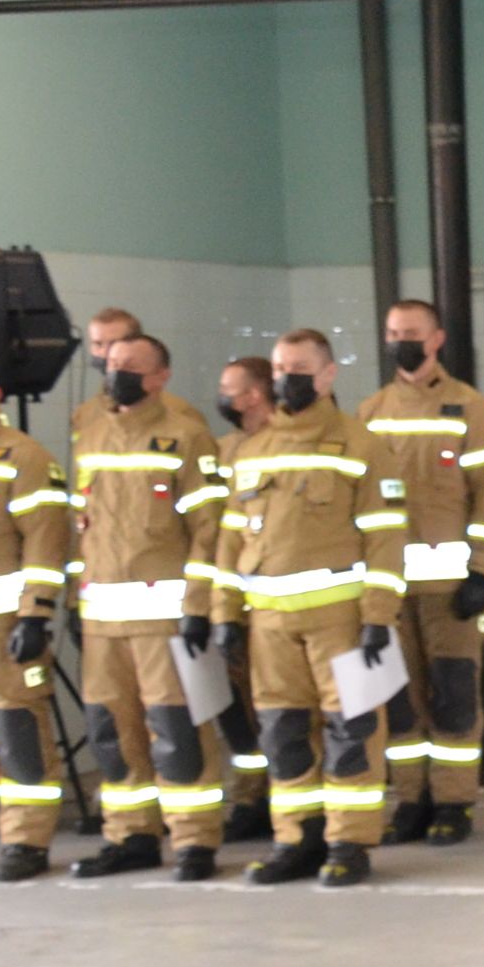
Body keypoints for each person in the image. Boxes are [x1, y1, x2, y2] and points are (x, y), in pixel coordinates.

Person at [213, 330, 402, 887]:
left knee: (352, 732)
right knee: (282, 734)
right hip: (269, 624)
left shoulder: (360, 444)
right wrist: (225, 613)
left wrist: (379, 615)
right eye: (279, 369)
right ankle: (296, 838)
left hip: (341, 621)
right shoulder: (251, 449)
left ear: (327, 375)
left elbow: (385, 534)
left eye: (298, 369)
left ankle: (348, 843)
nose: (285, 379)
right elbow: (230, 540)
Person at [66, 331, 230, 880]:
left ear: (160, 377)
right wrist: (71, 600)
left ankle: (194, 840)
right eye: (113, 363)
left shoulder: (186, 438)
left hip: (164, 617)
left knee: (175, 730)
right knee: (112, 733)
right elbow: (79, 528)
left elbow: (210, 530)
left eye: (132, 366)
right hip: (101, 621)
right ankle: (130, 835)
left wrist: (198, 605)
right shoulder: (90, 437)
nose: (118, 374)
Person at [356, 297, 484, 845]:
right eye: (394, 332)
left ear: (437, 339)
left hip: (449, 585)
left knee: (453, 695)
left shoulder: (470, 408)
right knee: (400, 701)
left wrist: (480, 569)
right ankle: (410, 800)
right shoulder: (370, 412)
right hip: (387, 586)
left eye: (411, 333)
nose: (401, 342)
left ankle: (453, 801)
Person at [0, 356, 70, 884]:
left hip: (3, 624)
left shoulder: (24, 457)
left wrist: (35, 614)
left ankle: (26, 840)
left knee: (18, 730)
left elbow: (46, 541)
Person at [211, 355, 278, 843]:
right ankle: (249, 798)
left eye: (229, 388)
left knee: (283, 713)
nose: (223, 398)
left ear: (254, 394)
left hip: (279, 604)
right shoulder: (222, 451)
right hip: (232, 597)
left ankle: (286, 804)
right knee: (236, 712)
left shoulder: (286, 447)